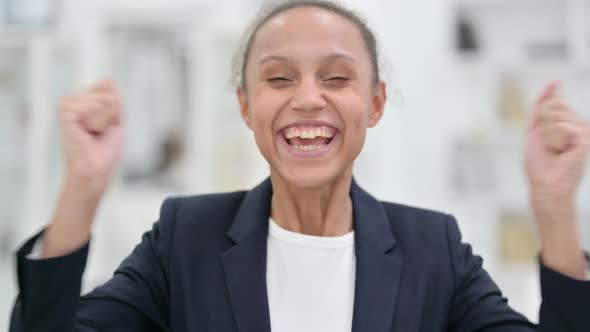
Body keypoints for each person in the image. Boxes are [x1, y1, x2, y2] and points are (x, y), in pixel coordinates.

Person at [9, 1, 590, 331]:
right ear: (245, 105)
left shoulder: (432, 248)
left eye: (336, 78)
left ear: (376, 103)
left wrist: (556, 212)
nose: (308, 98)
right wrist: (81, 190)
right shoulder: (184, 240)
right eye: (279, 78)